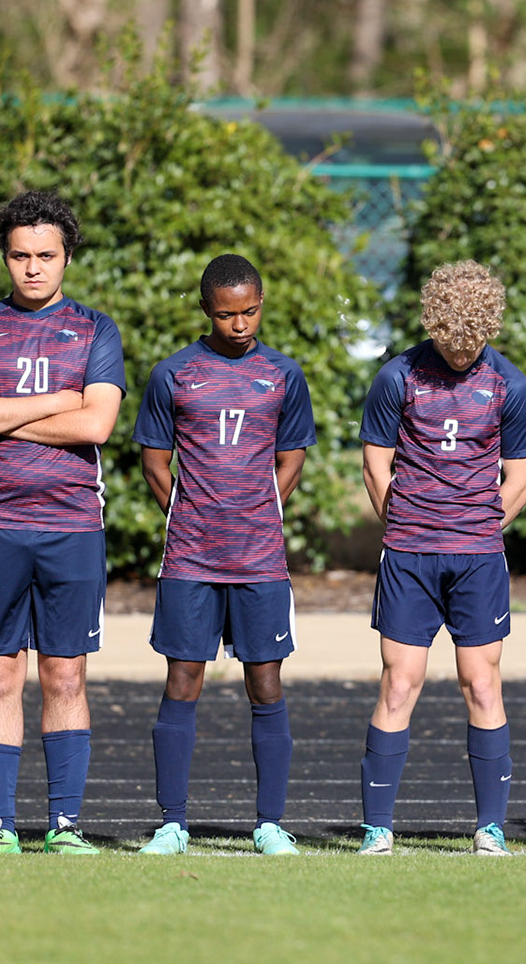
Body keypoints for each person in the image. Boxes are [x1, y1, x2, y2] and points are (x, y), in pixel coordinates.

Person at [0, 190, 125, 855]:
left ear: (67, 257)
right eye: (20, 256)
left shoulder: (96, 330)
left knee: (65, 675)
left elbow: (97, 423)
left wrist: (3, 408)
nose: (32, 269)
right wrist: (56, 402)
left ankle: (65, 825)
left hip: (72, 526)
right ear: (5, 257)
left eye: (46, 256)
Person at [131, 255, 316, 857]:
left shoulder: (284, 374)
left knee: (265, 684)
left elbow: (292, 456)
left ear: (262, 302)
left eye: (250, 311)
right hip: (190, 558)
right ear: (207, 310)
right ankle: (173, 824)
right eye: (227, 314)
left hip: (260, 558)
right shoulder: (174, 374)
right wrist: (185, 513)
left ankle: (268, 824)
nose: (240, 324)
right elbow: (154, 459)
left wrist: (260, 507)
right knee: (183, 680)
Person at [356, 261, 526, 856]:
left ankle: (490, 828)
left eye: (472, 344)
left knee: (481, 683)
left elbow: (524, 475)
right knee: (399, 682)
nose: (461, 353)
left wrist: (481, 527)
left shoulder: (510, 385)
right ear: (432, 324)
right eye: (449, 342)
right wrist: (407, 524)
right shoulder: (397, 377)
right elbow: (374, 464)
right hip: (409, 554)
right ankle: (376, 829)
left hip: (478, 558)